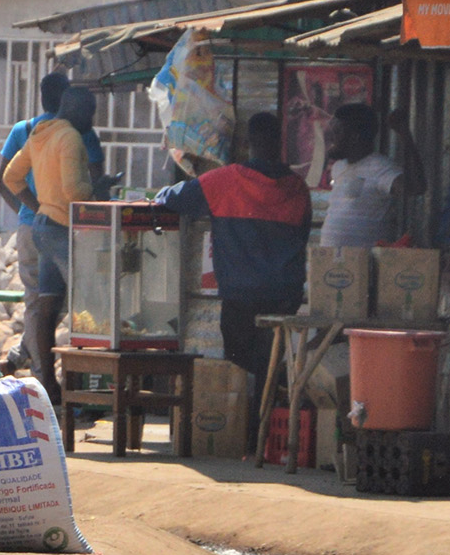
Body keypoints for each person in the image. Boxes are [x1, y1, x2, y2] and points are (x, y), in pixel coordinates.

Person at [161, 111, 310, 383]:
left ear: (247, 142)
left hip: (242, 295)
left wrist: (159, 193)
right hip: (285, 294)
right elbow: (303, 234)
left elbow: (174, 199)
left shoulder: (226, 180)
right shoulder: (298, 187)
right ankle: (264, 415)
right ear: (281, 143)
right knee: (272, 360)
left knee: (240, 363)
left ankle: (249, 420)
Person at [0, 80, 109, 401]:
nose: (93, 121)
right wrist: (98, 191)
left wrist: (37, 207)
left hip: (41, 226)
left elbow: (10, 178)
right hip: (63, 228)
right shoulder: (71, 136)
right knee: (88, 305)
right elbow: (75, 191)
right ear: (77, 111)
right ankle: (86, 387)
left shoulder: (39, 133)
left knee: (46, 306)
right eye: (91, 113)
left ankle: (49, 384)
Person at [316, 102, 406, 249]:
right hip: (332, 263)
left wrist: (405, 135)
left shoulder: (380, 167)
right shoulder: (338, 168)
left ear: (354, 137)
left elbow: (414, 188)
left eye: (337, 132)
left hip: (362, 265)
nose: (331, 139)